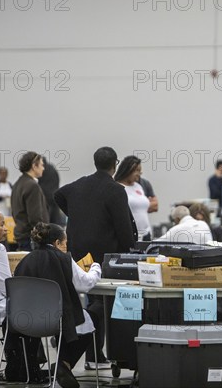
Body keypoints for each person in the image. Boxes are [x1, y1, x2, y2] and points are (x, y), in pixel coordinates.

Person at [54, 146, 137, 370]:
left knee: (93, 299)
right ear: (115, 165)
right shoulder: (115, 190)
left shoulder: (78, 185)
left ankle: (95, 354)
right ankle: (95, 354)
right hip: (103, 256)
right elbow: (123, 227)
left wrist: (78, 215)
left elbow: (58, 194)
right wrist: (130, 249)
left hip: (79, 252)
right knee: (103, 302)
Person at [9, 222, 101, 388]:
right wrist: (96, 267)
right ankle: (64, 364)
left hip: (24, 321)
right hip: (56, 320)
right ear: (57, 243)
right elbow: (85, 284)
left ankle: (61, 365)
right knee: (91, 317)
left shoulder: (25, 260)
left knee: (71, 316)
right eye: (65, 243)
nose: (66, 246)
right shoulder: (64, 259)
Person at [11, 151, 49, 251]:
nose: (43, 168)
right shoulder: (32, 186)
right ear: (34, 166)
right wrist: (43, 236)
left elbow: (14, 212)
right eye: (41, 165)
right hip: (31, 239)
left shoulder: (18, 184)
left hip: (21, 235)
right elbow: (35, 217)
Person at [114, 156, 152, 241]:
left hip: (146, 234)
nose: (140, 173)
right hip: (131, 235)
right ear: (128, 170)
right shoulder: (118, 187)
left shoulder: (138, 187)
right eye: (137, 170)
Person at [38, 157, 66, 225]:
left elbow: (39, 185)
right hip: (54, 197)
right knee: (55, 222)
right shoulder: (53, 169)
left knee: (46, 223)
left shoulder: (43, 171)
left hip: (45, 200)